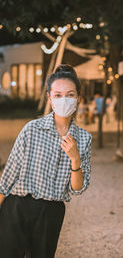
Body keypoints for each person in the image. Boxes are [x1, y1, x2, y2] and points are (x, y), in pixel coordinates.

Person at [0, 64, 92, 258]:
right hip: (18, 206)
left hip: (51, 212)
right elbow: (8, 176)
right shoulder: (31, 129)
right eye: (57, 95)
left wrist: (75, 158)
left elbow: (77, 188)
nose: (63, 100)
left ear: (77, 98)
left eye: (70, 94)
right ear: (49, 98)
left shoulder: (83, 139)